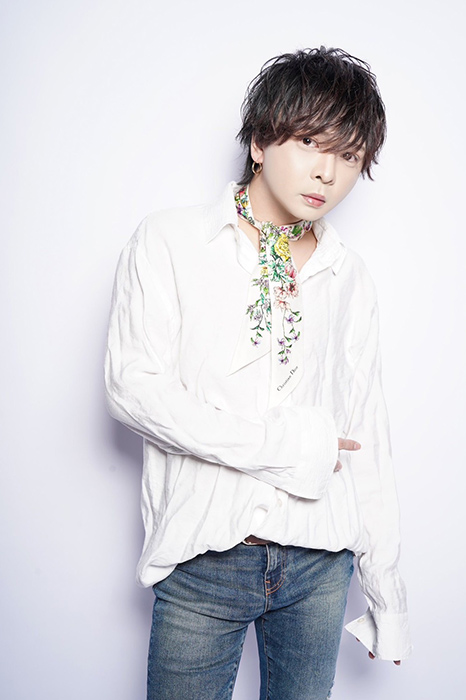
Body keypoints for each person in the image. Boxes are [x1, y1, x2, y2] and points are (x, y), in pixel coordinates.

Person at [104, 47, 412, 700]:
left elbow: (368, 434)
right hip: (205, 557)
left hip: (320, 562)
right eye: (309, 142)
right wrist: (285, 447)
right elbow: (134, 391)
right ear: (259, 142)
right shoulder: (169, 241)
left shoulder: (348, 275)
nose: (327, 172)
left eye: (349, 155)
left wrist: (386, 590)